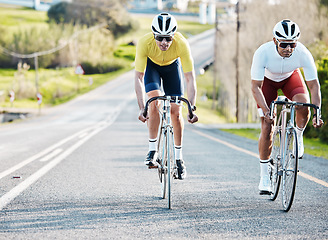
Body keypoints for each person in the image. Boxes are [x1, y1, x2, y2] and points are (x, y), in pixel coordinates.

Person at [251, 19, 324, 195]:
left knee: (303, 106)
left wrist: (317, 112)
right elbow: (255, 87)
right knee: (267, 125)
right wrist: (267, 111)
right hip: (266, 82)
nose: (288, 49)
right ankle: (264, 178)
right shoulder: (263, 52)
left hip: (290, 78)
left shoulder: (303, 53)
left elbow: (314, 86)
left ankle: (298, 135)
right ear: (275, 40)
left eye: (292, 44)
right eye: (284, 44)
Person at [134, 12, 198, 180]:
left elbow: (190, 78)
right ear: (154, 35)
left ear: (173, 36)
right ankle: (152, 151)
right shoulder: (144, 43)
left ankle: (179, 159)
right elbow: (139, 77)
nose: (164, 43)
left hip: (172, 69)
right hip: (152, 69)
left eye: (168, 38)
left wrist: (191, 107)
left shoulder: (182, 44)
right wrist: (142, 108)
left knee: (176, 112)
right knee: (154, 103)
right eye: (160, 38)